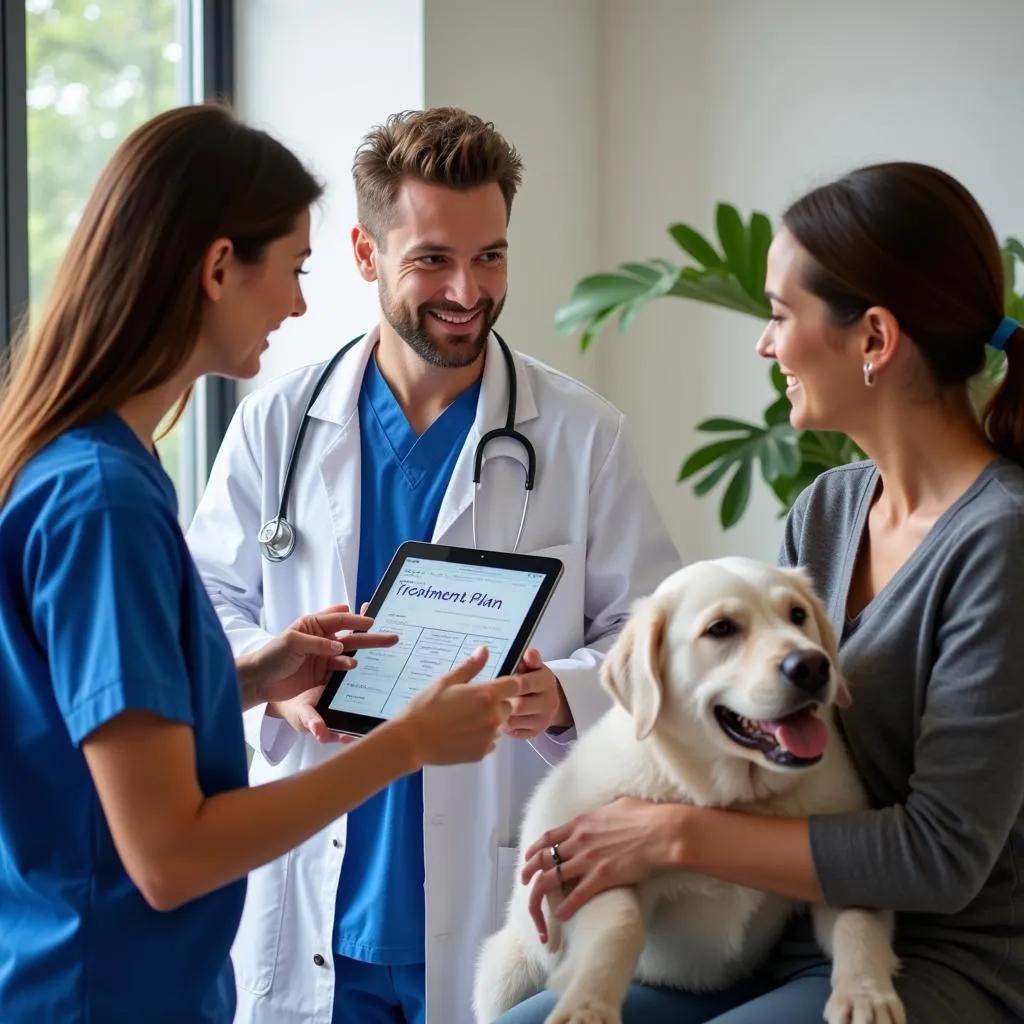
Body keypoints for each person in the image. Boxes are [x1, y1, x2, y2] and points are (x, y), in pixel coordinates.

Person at [0, 103, 528, 1024]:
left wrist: (254, 671)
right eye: (293, 270)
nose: (295, 303)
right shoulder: (103, 498)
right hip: (99, 990)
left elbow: (90, 719)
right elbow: (170, 858)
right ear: (217, 269)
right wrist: (407, 742)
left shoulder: (101, 468)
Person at [185, 106, 680, 1024]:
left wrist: (563, 692)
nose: (468, 289)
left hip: (500, 881)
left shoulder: (581, 435)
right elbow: (206, 598)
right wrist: (275, 679)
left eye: (491, 255)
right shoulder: (277, 424)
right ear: (367, 256)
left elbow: (655, 632)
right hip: (322, 882)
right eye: (432, 260)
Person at [497, 162, 1024, 1024]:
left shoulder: (1000, 540)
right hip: (770, 933)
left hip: (941, 955)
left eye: (781, 315)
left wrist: (667, 835)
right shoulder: (828, 510)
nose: (765, 343)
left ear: (875, 339)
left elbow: (943, 858)